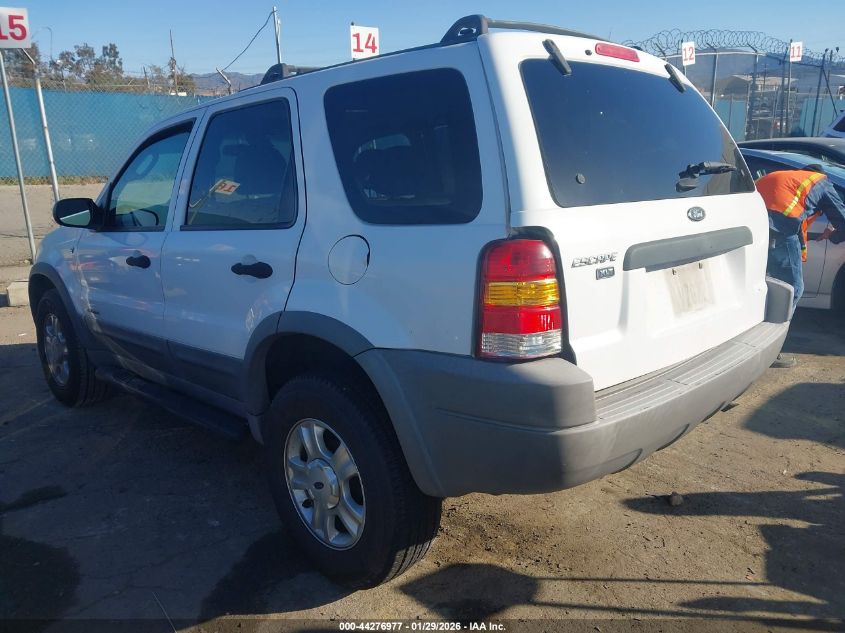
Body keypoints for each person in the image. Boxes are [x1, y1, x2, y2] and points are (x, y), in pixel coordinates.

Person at [755, 164, 845, 367]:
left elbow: (795, 220)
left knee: (762, 284)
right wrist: (836, 235)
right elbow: (843, 219)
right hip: (779, 227)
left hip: (753, 224)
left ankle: (753, 336)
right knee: (792, 288)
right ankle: (773, 348)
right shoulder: (820, 181)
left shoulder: (781, 178)